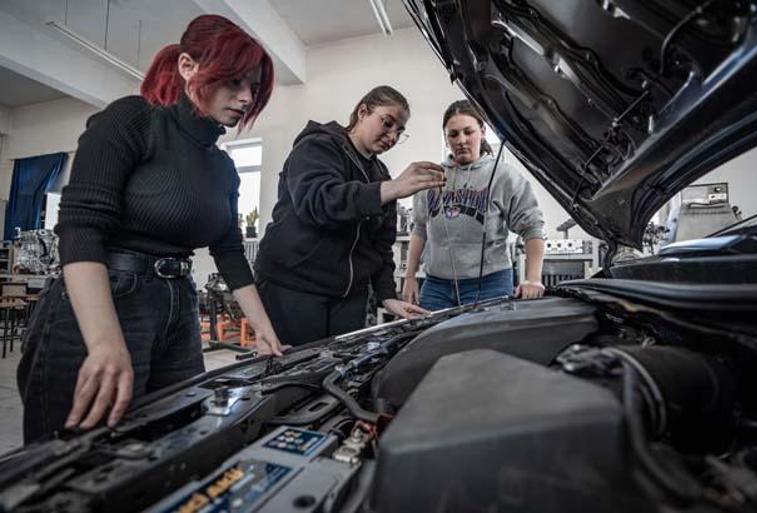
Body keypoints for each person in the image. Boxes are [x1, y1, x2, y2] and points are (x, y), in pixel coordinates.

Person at [17, 15, 283, 444]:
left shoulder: (222, 167)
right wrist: (104, 341)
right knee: (78, 456)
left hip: (178, 305)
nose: (246, 97)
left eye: (253, 87)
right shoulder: (133, 120)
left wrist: (263, 328)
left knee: (175, 438)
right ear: (188, 66)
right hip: (106, 298)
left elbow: (229, 251)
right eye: (234, 82)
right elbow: (81, 226)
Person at [254, 86, 445, 345]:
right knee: (294, 376)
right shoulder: (317, 146)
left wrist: (388, 296)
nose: (392, 136)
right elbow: (320, 202)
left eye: (399, 132)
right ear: (363, 111)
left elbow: (381, 245)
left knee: (340, 374)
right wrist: (391, 189)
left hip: (347, 298)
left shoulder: (381, 174)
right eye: (387, 123)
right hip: (294, 289)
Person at [402, 100, 546, 310]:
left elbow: (532, 227)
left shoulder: (504, 176)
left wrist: (533, 278)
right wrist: (410, 276)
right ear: (446, 138)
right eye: (453, 134)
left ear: (482, 131)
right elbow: (420, 228)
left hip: (490, 284)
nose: (461, 140)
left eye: (468, 132)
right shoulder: (432, 178)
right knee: (432, 342)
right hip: (436, 286)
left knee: (483, 343)